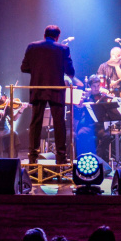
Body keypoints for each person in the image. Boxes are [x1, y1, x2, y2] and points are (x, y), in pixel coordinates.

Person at [21, 25, 75, 165]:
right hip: (56, 88)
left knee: (36, 122)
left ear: (44, 35)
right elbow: (70, 71)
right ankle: (61, 157)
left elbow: (24, 67)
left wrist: (39, 70)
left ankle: (33, 157)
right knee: (59, 123)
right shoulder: (63, 48)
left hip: (38, 87)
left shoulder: (32, 46)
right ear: (57, 37)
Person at [75, 76, 113, 158]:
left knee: (107, 136)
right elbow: (77, 115)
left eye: (98, 86)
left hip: (100, 126)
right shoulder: (85, 97)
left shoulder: (103, 96)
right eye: (94, 86)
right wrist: (79, 107)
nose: (96, 89)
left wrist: (110, 99)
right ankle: (83, 158)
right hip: (88, 125)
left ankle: (98, 157)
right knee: (81, 134)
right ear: (89, 86)